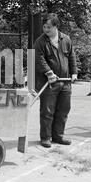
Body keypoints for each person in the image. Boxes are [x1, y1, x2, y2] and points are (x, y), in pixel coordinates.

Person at [34, 13, 77, 148]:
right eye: (44, 27)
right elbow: (39, 59)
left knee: (63, 110)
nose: (46, 29)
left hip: (65, 82)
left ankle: (58, 136)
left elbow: (71, 57)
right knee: (47, 111)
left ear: (56, 26)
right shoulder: (40, 42)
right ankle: (46, 137)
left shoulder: (66, 40)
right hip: (49, 83)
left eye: (49, 27)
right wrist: (49, 72)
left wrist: (74, 72)